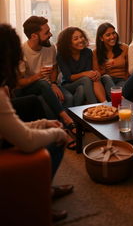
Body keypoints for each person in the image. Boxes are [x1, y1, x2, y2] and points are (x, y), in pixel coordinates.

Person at [0, 23, 73, 222]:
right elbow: (27, 140)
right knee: (56, 140)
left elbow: (12, 127)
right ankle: (37, 198)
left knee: (42, 109)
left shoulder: (50, 48)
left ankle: (44, 188)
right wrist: (58, 133)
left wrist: (44, 123)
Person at [15, 16, 76, 137]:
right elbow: (18, 83)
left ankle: (62, 127)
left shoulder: (50, 47)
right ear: (33, 36)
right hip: (28, 88)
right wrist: (37, 76)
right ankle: (65, 124)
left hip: (48, 85)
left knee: (68, 97)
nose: (51, 34)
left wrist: (53, 84)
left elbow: (54, 68)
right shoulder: (21, 52)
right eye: (46, 32)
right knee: (42, 87)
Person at [57, 26, 106, 105]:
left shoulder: (87, 52)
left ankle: (74, 114)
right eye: (76, 39)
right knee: (86, 79)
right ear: (68, 43)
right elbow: (68, 77)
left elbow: (90, 71)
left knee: (82, 89)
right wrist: (85, 74)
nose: (80, 40)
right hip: (68, 85)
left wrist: (96, 73)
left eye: (81, 37)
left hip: (84, 84)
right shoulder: (61, 55)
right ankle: (95, 106)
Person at [93, 22, 128, 98]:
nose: (112, 37)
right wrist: (105, 69)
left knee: (120, 88)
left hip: (121, 80)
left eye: (114, 33)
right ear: (101, 38)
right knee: (106, 77)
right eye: (108, 35)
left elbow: (129, 70)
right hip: (105, 81)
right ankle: (118, 100)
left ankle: (116, 101)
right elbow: (96, 74)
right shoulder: (95, 52)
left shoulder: (125, 48)